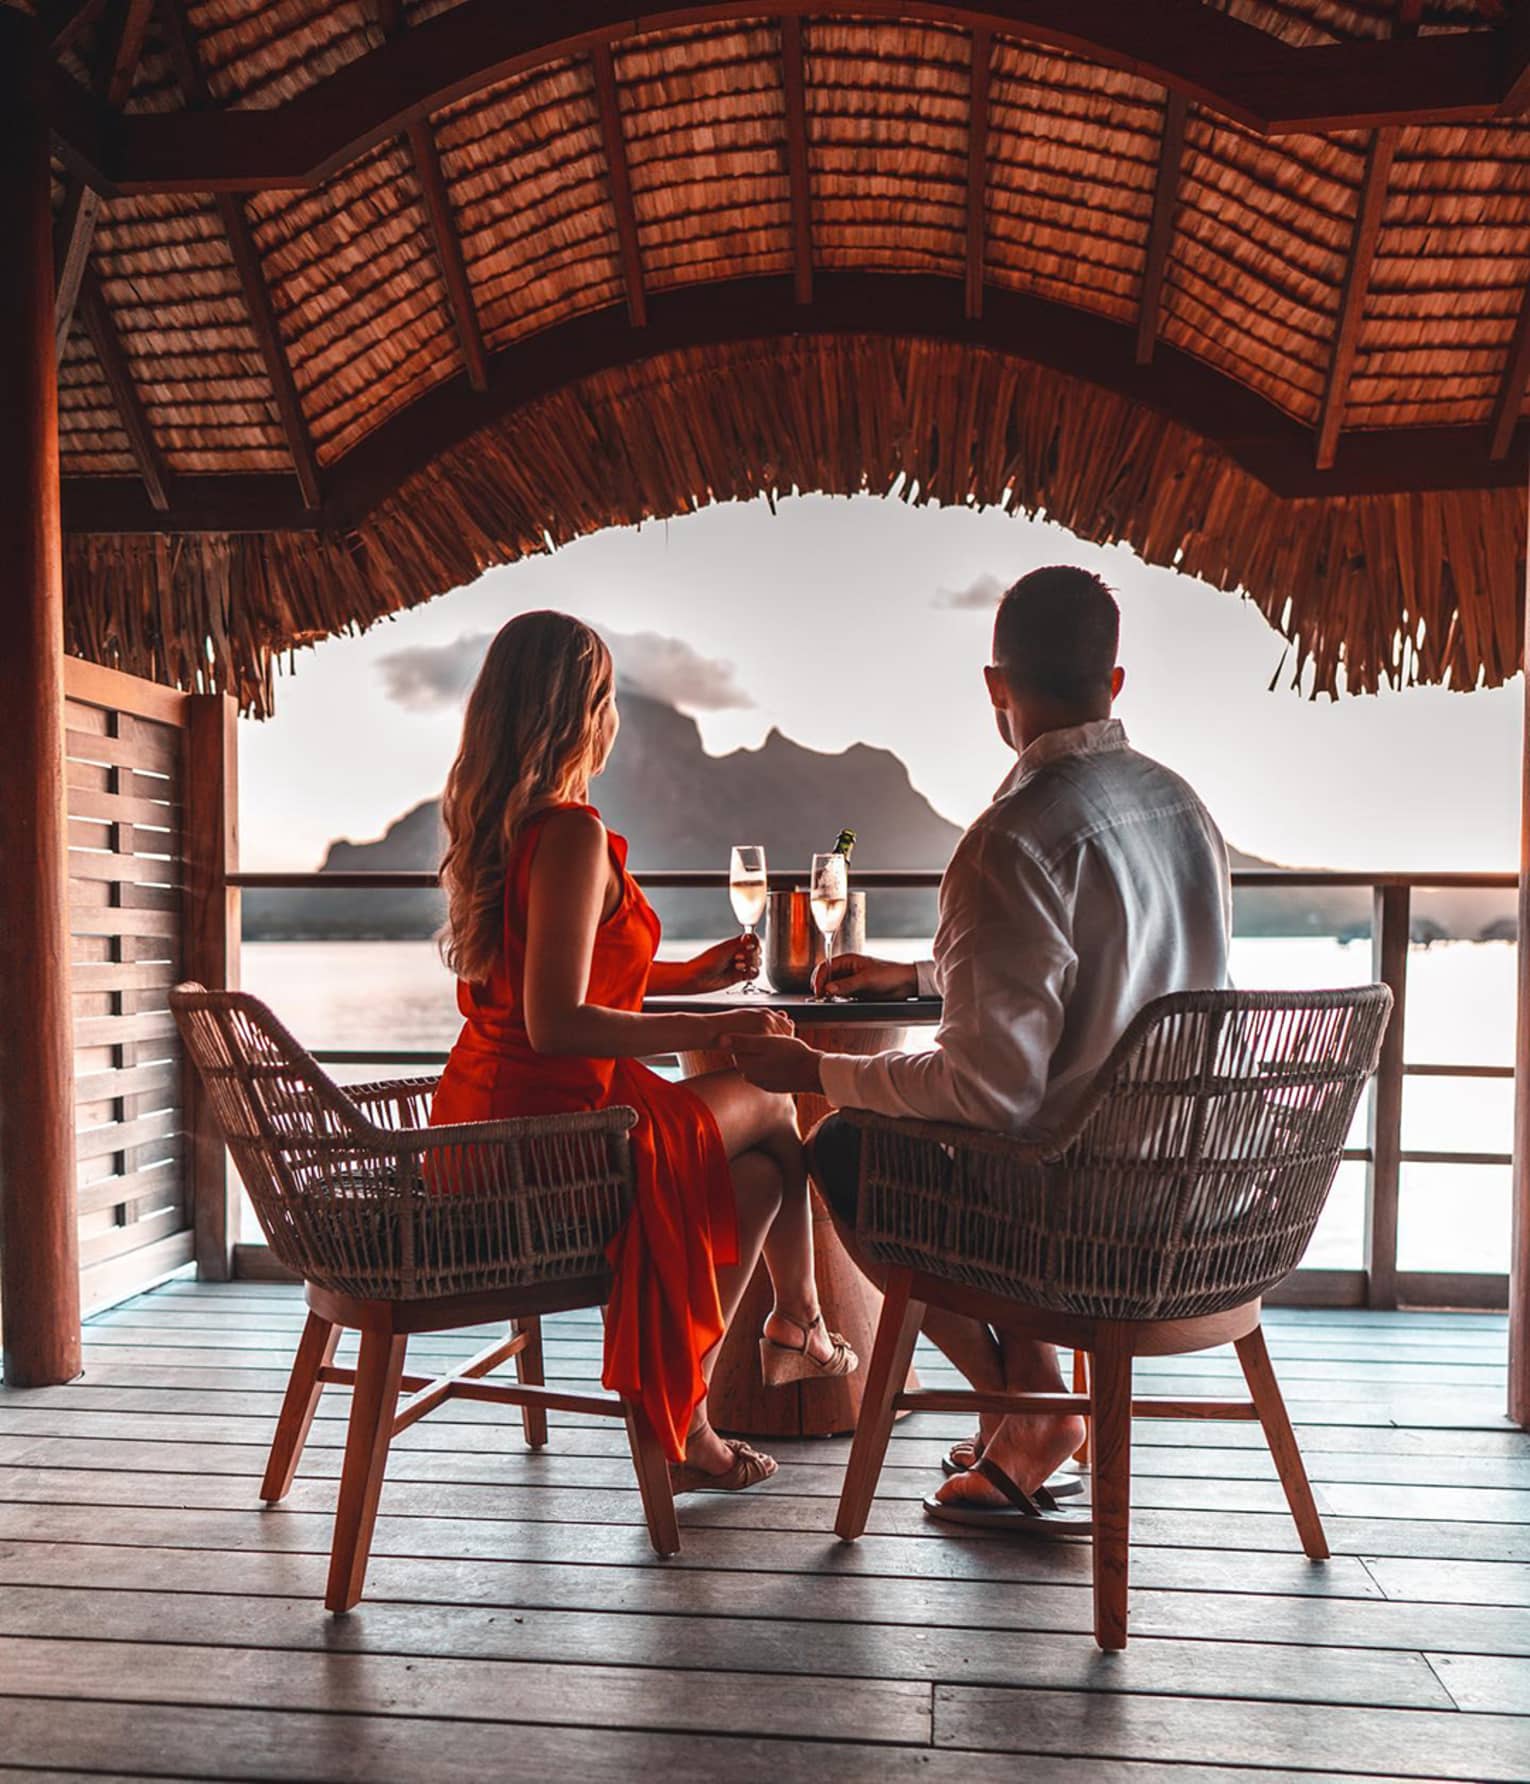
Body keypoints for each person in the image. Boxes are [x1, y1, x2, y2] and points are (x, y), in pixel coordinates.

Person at [730, 565, 1229, 1532]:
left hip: (1086, 1214)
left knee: (846, 1147)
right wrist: (924, 976)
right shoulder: (1181, 808)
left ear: (996, 685)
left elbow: (987, 1095)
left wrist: (817, 1072)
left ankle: (1029, 1411)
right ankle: (1028, 1406)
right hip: (1205, 1193)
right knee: (940, 1139)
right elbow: (1095, 975)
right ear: (1114, 682)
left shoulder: (1013, 839)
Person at [430, 611, 855, 1495]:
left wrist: (690, 979)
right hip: (550, 1143)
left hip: (477, 1128)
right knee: (775, 1103)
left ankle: (722, 1390)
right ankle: (793, 1329)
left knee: (763, 1179)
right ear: (586, 710)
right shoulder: (569, 834)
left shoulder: (507, 827)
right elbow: (558, 1024)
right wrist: (710, 1030)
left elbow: (560, 978)